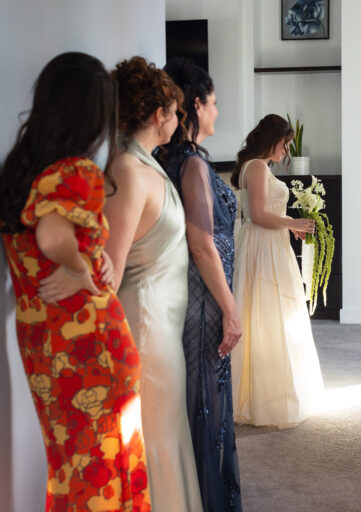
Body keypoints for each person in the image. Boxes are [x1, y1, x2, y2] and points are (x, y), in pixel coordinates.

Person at [0, 52, 151, 511]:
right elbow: (52, 237)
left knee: (71, 470)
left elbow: (44, 245)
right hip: (91, 349)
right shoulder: (76, 172)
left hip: (43, 344)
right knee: (103, 471)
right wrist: (80, 269)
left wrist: (89, 263)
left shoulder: (22, 172)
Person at [104, 56, 203, 512]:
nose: (178, 118)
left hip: (162, 329)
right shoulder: (127, 169)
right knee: (153, 446)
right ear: (158, 114)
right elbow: (110, 266)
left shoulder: (147, 164)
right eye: (175, 111)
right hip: (144, 329)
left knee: (165, 439)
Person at [158, 58, 243, 512]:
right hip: (205, 303)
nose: (217, 111)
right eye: (214, 103)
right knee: (207, 406)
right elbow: (202, 243)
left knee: (199, 402)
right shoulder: (190, 163)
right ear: (196, 104)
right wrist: (230, 308)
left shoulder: (167, 159)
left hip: (193, 298)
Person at [230, 114, 324, 429]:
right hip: (263, 244)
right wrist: (292, 222)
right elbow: (258, 215)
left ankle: (267, 394)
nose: (285, 151)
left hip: (269, 242)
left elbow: (262, 213)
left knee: (269, 312)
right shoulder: (257, 167)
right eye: (284, 144)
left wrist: (289, 227)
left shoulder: (257, 166)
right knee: (267, 313)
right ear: (272, 140)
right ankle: (265, 400)